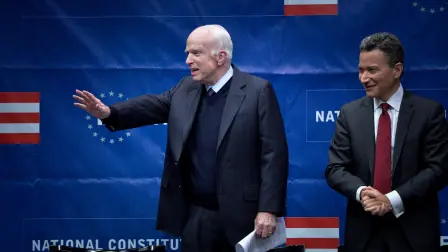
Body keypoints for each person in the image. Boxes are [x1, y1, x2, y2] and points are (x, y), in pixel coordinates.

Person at [73, 24, 289, 252]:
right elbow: (150, 106)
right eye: (187, 53)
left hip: (244, 217)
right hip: (195, 216)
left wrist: (268, 209)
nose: (188, 60)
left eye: (196, 53)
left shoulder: (257, 91)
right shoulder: (186, 88)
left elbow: (274, 155)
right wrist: (110, 113)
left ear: (221, 57)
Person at [325, 32, 448, 252]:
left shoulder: (429, 113)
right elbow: (335, 169)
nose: (363, 78)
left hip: (413, 235)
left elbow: (438, 169)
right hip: (363, 235)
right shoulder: (349, 113)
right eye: (361, 70)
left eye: (372, 70)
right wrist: (363, 193)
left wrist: (391, 200)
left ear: (397, 70)